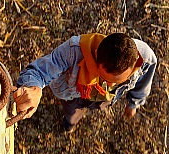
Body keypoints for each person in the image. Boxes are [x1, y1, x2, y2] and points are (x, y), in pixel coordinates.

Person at [13, 33, 157, 132]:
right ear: (95, 56)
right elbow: (38, 72)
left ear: (133, 67)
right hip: (71, 95)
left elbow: (144, 82)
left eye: (119, 82)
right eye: (104, 78)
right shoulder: (72, 52)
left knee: (98, 103)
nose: (110, 86)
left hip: (101, 100)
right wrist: (34, 87)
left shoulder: (145, 58)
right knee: (71, 112)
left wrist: (134, 103)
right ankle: (70, 123)